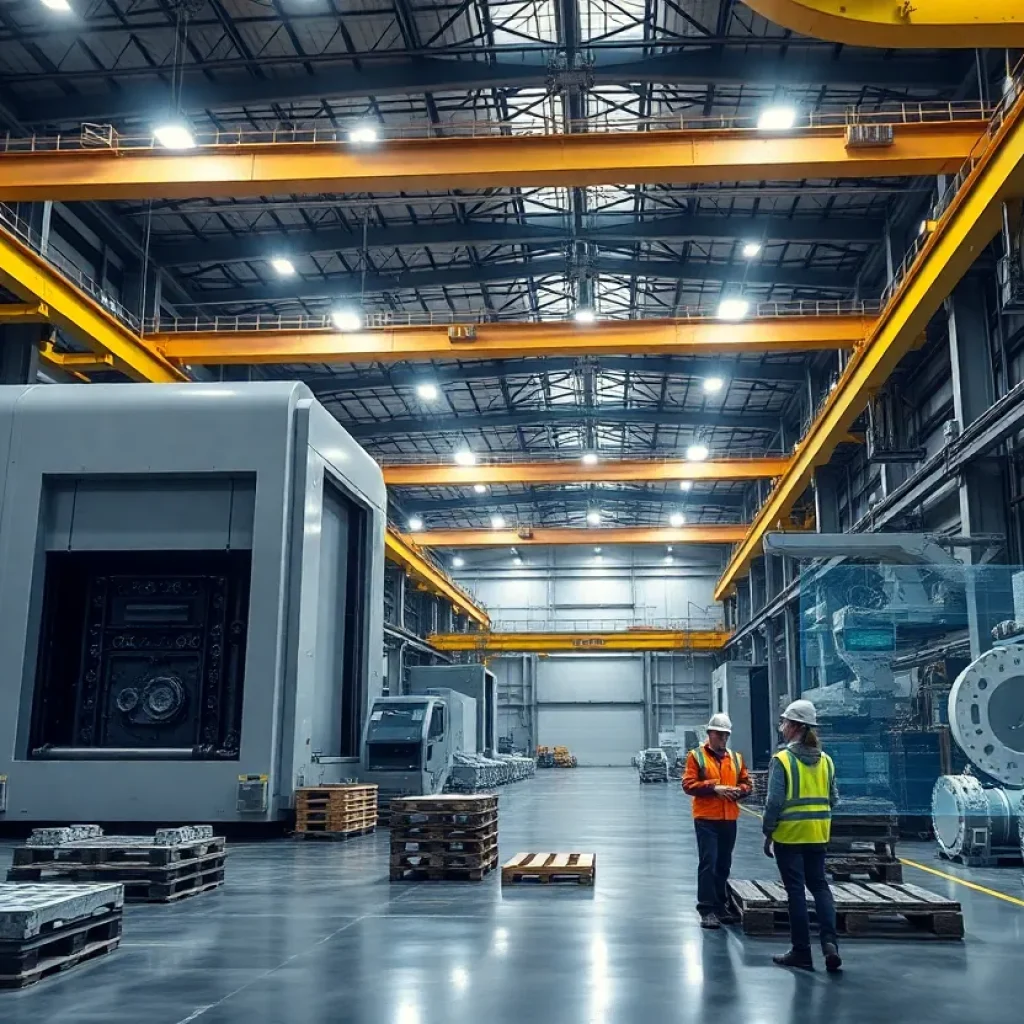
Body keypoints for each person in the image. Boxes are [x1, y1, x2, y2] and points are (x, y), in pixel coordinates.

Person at [762, 698, 842, 973]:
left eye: (784, 722)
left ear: (795, 726)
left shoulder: (782, 760)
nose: (781, 726)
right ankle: (830, 944)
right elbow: (834, 799)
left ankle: (801, 952)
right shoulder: (827, 761)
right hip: (818, 834)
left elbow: (774, 803)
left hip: (789, 836)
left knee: (795, 891)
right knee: (819, 887)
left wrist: (768, 832)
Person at [682, 712, 752, 929]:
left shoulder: (736, 758)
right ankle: (706, 909)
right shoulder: (696, 756)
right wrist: (714, 788)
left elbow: (747, 783)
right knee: (709, 863)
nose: (723, 739)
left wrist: (737, 791)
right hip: (707, 819)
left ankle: (721, 906)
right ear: (710, 733)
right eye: (719, 735)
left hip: (729, 819)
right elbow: (688, 785)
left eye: (726, 735)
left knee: (724, 863)